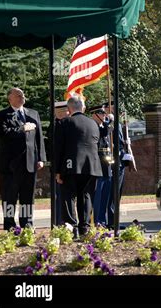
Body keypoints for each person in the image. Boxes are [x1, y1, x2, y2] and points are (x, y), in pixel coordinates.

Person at [0, 88, 46, 230]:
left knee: (27, 197)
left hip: (29, 163)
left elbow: (39, 139)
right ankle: (10, 225)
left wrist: (41, 158)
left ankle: (26, 224)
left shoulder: (33, 114)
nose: (22, 97)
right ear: (10, 98)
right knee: (9, 198)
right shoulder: (2, 115)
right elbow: (3, 134)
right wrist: (22, 128)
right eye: (18, 95)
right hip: (10, 165)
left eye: (23, 95)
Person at [54, 96, 102, 238]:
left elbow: (58, 148)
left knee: (68, 196)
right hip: (91, 165)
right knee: (86, 196)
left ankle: (71, 227)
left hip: (71, 165)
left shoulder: (64, 122)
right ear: (83, 107)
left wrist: (57, 171)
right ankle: (84, 227)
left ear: (69, 109)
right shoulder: (93, 123)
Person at [89, 105, 114, 226]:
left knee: (105, 195)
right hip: (98, 165)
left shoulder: (103, 125)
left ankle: (103, 221)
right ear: (94, 114)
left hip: (106, 165)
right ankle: (97, 221)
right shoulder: (93, 127)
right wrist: (111, 121)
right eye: (101, 113)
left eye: (104, 113)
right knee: (98, 196)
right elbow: (104, 133)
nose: (104, 115)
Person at [51, 101, 69, 225]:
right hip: (60, 167)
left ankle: (63, 221)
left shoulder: (65, 124)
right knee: (60, 196)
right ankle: (59, 221)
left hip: (67, 166)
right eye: (65, 111)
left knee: (66, 196)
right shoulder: (56, 126)